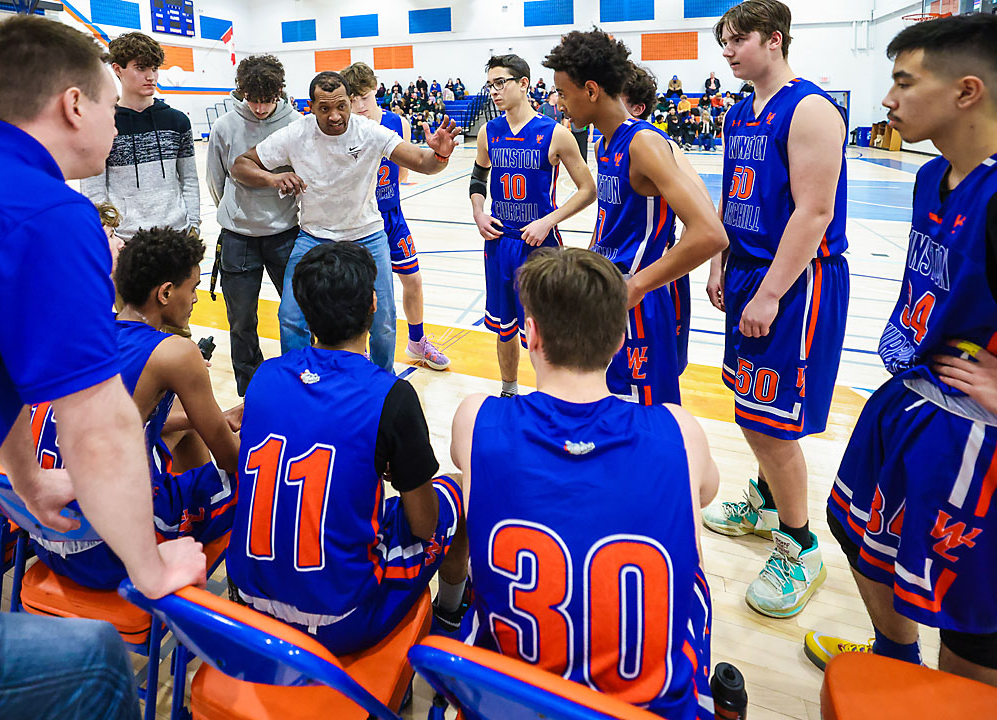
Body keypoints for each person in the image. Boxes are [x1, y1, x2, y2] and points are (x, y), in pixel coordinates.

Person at [0, 15, 206, 718]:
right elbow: (98, 424)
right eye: (111, 102)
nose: (116, 118)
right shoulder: (46, 211)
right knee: (95, 662)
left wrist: (26, 475)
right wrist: (151, 563)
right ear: (75, 104)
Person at [804, 13, 997, 686]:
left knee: (971, 627)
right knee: (855, 528)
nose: (887, 99)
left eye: (903, 82)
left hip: (975, 429)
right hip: (913, 391)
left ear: (966, 92)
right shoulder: (931, 177)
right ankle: (893, 658)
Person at [450, 247, 719, 719]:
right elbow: (706, 492)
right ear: (619, 340)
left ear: (529, 334)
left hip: (514, 703)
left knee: (460, 485)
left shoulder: (476, 417)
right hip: (651, 708)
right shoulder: (680, 428)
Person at [226, 242, 469, 655]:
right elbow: (424, 526)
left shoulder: (264, 377)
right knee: (461, 486)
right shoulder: (391, 395)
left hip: (245, 603)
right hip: (339, 621)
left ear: (303, 313)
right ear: (374, 305)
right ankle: (450, 611)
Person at [701, 0, 850, 619]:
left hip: (795, 281)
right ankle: (765, 503)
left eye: (738, 40)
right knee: (749, 405)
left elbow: (813, 213)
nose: (728, 51)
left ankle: (801, 545)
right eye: (724, 42)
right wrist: (719, 262)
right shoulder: (740, 111)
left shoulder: (810, 108)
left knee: (773, 422)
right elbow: (738, 198)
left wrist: (769, 292)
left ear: (775, 39)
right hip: (748, 272)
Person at [30, 227, 240, 590]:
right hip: (110, 549)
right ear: (165, 292)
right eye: (192, 288)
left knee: (185, 429)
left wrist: (205, 419)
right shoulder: (174, 353)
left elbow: (121, 417)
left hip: (44, 534)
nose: (194, 299)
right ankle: (217, 572)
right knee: (261, 478)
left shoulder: (86, 333)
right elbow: (233, 458)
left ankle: (193, 510)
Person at [230, 71, 459, 374]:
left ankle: (380, 384)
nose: (335, 116)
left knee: (384, 320)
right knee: (290, 315)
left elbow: (421, 161)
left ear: (351, 102)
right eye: (324, 108)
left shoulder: (370, 132)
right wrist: (273, 177)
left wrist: (439, 155)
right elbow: (240, 165)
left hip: (367, 233)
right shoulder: (295, 134)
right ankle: (301, 380)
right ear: (310, 107)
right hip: (314, 235)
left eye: (341, 106)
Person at [544, 29, 728, 404]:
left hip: (639, 295)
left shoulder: (644, 143)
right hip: (610, 289)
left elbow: (711, 233)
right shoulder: (603, 142)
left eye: (563, 93)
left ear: (591, 90)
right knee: (607, 404)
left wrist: (638, 285)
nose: (558, 103)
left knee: (643, 415)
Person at [471, 54, 596, 397]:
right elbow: (478, 178)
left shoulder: (555, 134)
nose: (494, 91)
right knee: (504, 328)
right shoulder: (488, 132)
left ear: (523, 84)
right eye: (490, 84)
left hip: (540, 246)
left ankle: (551, 396)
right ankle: (509, 390)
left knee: (546, 329)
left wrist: (548, 220)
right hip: (499, 242)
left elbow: (589, 190)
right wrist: (479, 212)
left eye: (501, 83)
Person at [342, 61, 451, 370]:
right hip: (359, 219)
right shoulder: (346, 127)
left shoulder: (396, 122)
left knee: (413, 280)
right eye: (352, 99)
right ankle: (359, 351)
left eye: (364, 97)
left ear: (376, 91)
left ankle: (417, 342)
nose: (359, 105)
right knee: (364, 293)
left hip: (391, 215)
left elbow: (403, 174)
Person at [207, 54, 300, 397]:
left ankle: (299, 381)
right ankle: (252, 391)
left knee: (296, 315)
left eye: (267, 100)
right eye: (253, 100)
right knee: (241, 321)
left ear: (280, 92)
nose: (260, 108)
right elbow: (216, 181)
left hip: (286, 235)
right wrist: (234, 213)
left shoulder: (295, 123)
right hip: (238, 237)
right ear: (242, 91)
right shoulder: (225, 126)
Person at [623, 62, 713, 377]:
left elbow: (705, 211)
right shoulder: (606, 145)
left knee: (660, 373)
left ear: (636, 107)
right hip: (619, 274)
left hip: (654, 276)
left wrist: (715, 271)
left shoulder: (661, 146)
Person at [80, 31, 200, 240]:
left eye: (154, 69)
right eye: (141, 68)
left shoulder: (177, 121)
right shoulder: (104, 124)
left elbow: (189, 180)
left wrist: (194, 226)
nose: (151, 76)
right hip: (126, 240)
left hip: (177, 235)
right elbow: (93, 190)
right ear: (118, 69)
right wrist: (108, 234)